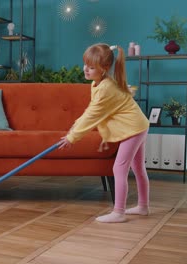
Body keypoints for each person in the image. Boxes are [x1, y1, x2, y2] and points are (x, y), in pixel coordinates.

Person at [58, 43, 150, 223]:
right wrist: (73, 131)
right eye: (85, 64)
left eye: (91, 67)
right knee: (138, 168)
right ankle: (143, 206)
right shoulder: (98, 83)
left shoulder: (106, 88)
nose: (85, 69)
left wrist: (72, 137)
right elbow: (91, 111)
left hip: (133, 129)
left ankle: (119, 212)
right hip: (138, 126)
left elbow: (92, 115)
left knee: (119, 168)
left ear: (105, 68)